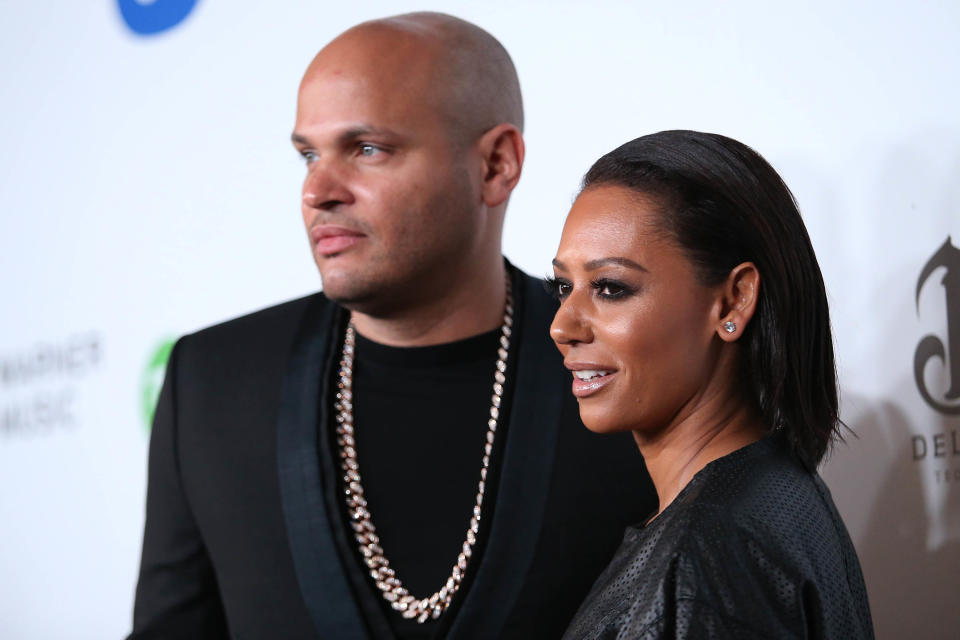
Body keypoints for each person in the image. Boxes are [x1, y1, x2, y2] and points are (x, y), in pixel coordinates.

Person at [128, 12, 656, 640]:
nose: (318, 190)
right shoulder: (213, 384)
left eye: (367, 149)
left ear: (495, 165)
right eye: (307, 155)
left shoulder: (630, 366)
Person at [549, 130, 874, 639]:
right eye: (564, 287)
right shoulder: (772, 491)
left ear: (732, 301)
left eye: (610, 288)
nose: (563, 326)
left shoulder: (706, 556)